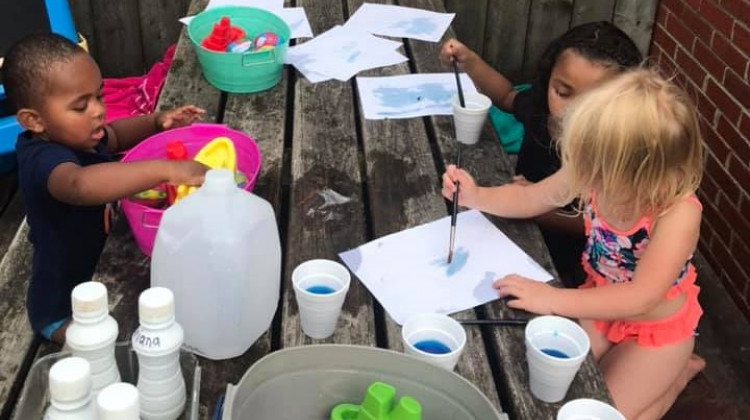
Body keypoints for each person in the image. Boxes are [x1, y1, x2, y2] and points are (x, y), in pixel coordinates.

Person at [442, 69, 706, 420]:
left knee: (602, 411)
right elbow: (532, 199)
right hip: (598, 305)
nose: (582, 170)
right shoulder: (595, 167)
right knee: (557, 384)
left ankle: (676, 377)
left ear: (638, 171)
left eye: (593, 162)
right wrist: (476, 196)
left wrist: (551, 298)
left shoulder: (678, 214)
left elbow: (642, 297)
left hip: (656, 332)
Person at [2, 33, 208, 344]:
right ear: (34, 121)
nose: (98, 110)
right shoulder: (44, 160)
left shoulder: (80, 135)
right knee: (118, 345)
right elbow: (81, 185)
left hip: (104, 265)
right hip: (65, 305)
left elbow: (115, 135)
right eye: (81, 105)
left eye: (98, 97)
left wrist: (155, 122)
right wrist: (166, 170)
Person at [440, 22, 643, 287]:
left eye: (591, 103)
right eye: (562, 93)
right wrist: (472, 62)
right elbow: (507, 96)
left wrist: (539, 213)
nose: (572, 110)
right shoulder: (541, 111)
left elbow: (601, 225)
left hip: (573, 263)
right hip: (516, 227)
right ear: (548, 80)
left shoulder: (612, 154)